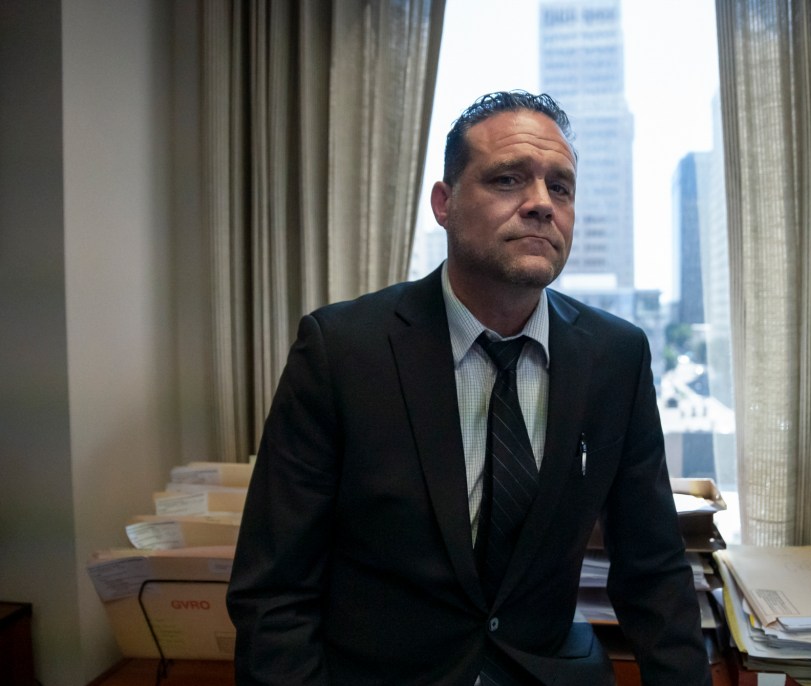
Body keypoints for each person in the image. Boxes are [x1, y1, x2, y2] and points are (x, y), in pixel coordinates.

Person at [227, 90, 711, 686]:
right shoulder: (342, 351)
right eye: (508, 179)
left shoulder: (616, 356)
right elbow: (275, 589)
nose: (541, 204)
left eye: (560, 188)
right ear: (444, 203)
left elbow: (653, 569)